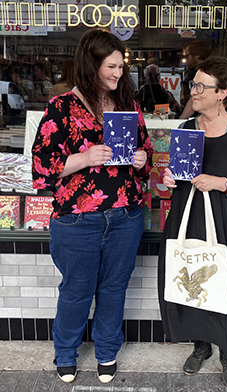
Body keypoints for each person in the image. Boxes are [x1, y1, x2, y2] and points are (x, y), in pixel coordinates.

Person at [32, 29, 153, 384]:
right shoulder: (62, 107)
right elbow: (41, 169)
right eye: (110, 67)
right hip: (77, 220)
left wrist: (142, 159)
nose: (118, 74)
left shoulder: (129, 105)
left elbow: (146, 161)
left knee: (114, 288)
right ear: (91, 64)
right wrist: (83, 158)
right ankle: (66, 353)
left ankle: (107, 351)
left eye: (121, 67)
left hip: (125, 216)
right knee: (76, 290)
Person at [158, 56, 227, 388]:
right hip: (188, 216)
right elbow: (170, 178)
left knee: (225, 283)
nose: (194, 91)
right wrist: (168, 178)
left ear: (223, 93)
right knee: (191, 280)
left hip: (225, 218)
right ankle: (200, 345)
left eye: (202, 87)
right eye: (194, 85)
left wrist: (221, 182)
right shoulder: (186, 128)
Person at [179, 40, 210, 119]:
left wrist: (182, 119)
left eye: (187, 56)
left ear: (197, 56)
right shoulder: (192, 71)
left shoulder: (202, 74)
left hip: (196, 117)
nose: (186, 60)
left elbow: (194, 98)